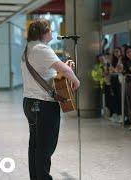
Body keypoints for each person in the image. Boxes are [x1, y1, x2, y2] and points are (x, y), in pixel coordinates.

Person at [21, 19, 80, 180]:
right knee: (45, 146)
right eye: (50, 30)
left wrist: (64, 69)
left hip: (30, 103)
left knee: (35, 144)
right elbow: (65, 69)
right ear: (43, 33)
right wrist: (75, 79)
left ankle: (36, 177)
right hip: (43, 104)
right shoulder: (41, 48)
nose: (52, 33)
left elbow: (47, 73)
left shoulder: (29, 48)